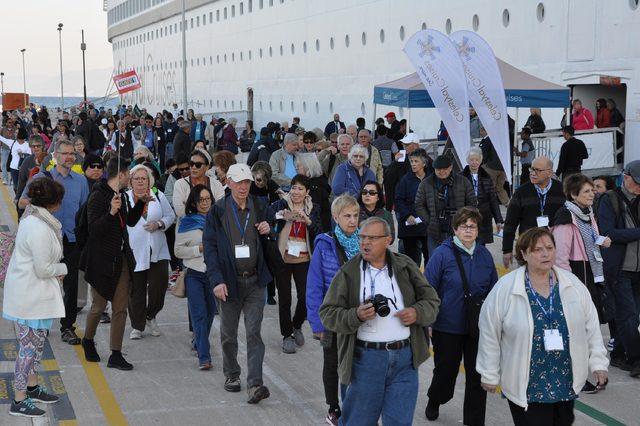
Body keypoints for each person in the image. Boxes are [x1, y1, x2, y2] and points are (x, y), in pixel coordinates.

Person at [477, 227, 609, 425]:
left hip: (565, 380)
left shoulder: (572, 285)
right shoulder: (506, 288)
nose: (546, 253)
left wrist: (598, 363)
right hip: (526, 383)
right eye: (537, 249)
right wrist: (489, 372)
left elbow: (591, 328)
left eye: (549, 247)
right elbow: (490, 332)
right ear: (524, 254)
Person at [319, 217, 440, 426]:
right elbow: (327, 313)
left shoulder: (405, 266)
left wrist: (416, 312)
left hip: (404, 361)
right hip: (365, 362)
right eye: (362, 237)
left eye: (372, 238)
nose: (365, 243)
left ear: (388, 240)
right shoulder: (349, 272)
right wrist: (355, 316)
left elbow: (432, 301)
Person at [203, 163, 272, 403]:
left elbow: (271, 239)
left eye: (247, 183)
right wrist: (217, 280)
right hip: (229, 283)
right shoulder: (218, 211)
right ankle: (232, 374)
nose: (243, 187)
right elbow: (210, 249)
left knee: (254, 333)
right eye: (239, 182)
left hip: (255, 281)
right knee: (228, 334)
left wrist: (268, 229)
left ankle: (255, 384)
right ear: (229, 183)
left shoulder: (260, 207)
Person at [424, 207, 497, 424]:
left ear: (478, 230)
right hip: (447, 326)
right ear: (455, 229)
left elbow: (494, 292)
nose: (468, 230)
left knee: (477, 377)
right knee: (446, 373)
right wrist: (428, 321)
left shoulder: (484, 255)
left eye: (472, 226)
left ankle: (474, 421)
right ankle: (435, 399)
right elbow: (428, 288)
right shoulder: (441, 254)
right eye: (463, 226)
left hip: (477, 326)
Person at [3, 178, 67, 418]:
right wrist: (63, 269)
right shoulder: (39, 227)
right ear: (54, 202)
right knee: (27, 351)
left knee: (36, 348)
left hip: (34, 297)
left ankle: (32, 387)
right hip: (28, 298)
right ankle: (19, 400)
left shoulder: (36, 218)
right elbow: (43, 268)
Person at [19, 139, 89, 346]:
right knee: (43, 281)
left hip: (71, 239)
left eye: (71, 154)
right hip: (46, 240)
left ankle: (67, 326)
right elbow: (22, 201)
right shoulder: (42, 178)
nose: (69, 157)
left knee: (71, 285)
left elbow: (84, 210)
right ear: (55, 156)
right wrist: (41, 201)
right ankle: (40, 322)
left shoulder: (81, 181)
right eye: (65, 153)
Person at [80, 157, 148, 371]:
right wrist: (110, 212)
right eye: (128, 173)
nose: (130, 177)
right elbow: (94, 230)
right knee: (99, 307)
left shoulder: (122, 196)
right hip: (101, 261)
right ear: (120, 174)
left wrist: (142, 202)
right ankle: (88, 340)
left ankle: (115, 354)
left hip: (121, 260)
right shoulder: (98, 196)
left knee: (120, 308)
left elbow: (129, 222)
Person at [553, 174, 612, 392]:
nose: (592, 194)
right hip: (575, 275)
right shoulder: (566, 217)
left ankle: (594, 370)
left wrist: (601, 241)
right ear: (573, 194)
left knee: (589, 327)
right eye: (587, 191)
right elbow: (559, 257)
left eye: (592, 190)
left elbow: (589, 240)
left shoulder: (587, 214)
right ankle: (575, 376)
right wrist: (570, 286)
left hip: (590, 273)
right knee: (575, 330)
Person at [306, 194, 360, 425]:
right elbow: (314, 285)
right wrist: (317, 324)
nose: (352, 220)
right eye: (347, 216)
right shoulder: (324, 244)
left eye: (356, 215)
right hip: (333, 317)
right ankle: (334, 407)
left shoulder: (366, 242)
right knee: (333, 364)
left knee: (357, 363)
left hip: (360, 316)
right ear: (336, 217)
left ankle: (355, 405)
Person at [268, 174, 322, 353]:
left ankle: (297, 324)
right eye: (293, 188)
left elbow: (320, 232)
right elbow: (268, 219)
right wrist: (282, 216)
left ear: (307, 192)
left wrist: (308, 221)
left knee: (306, 296)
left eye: (300, 188)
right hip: (283, 258)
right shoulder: (280, 204)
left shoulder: (314, 209)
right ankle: (287, 335)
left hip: (304, 259)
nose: (295, 192)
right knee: (284, 298)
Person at [597, 160, 640, 377]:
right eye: (638, 183)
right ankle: (636, 359)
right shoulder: (610, 200)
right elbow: (609, 233)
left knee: (632, 316)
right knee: (628, 315)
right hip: (619, 268)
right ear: (626, 177)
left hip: (638, 270)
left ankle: (619, 355)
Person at [126, 165, 175, 339]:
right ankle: (137, 326)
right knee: (136, 291)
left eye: (143, 178)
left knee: (158, 287)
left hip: (158, 249)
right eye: (136, 178)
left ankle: (150, 315)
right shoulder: (125, 198)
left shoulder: (159, 196)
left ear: (149, 180)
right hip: (134, 252)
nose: (140, 181)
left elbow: (170, 216)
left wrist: (159, 224)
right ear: (130, 181)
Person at [175, 184, 217, 370]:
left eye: (208, 199)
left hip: (213, 275)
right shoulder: (186, 222)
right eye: (201, 199)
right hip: (193, 274)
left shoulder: (218, 220)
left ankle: (199, 341)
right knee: (199, 314)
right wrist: (198, 249)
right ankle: (204, 356)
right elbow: (178, 250)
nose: (205, 203)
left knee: (209, 314)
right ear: (194, 201)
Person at [502, 156, 566, 269]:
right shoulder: (521, 192)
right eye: (532, 169)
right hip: (528, 247)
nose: (533, 173)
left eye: (538, 170)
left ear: (549, 173)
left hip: (553, 247)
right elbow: (510, 223)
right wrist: (507, 249)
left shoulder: (562, 190)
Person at [415, 155, 477, 256]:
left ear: (451, 168)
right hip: (435, 230)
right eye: (439, 169)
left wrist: (464, 220)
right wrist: (429, 220)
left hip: (459, 230)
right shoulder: (426, 183)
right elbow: (418, 205)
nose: (442, 171)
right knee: (437, 262)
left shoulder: (463, 181)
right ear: (434, 169)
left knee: (460, 262)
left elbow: (472, 203)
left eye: (445, 169)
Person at [395, 148, 430, 266]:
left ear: (424, 163)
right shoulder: (406, 179)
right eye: (411, 161)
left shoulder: (431, 179)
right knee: (412, 262)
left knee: (430, 259)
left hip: (428, 226)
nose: (413, 164)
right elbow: (399, 199)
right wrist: (407, 215)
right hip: (410, 227)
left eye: (416, 161)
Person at [461, 148, 503, 244]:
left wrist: (498, 220)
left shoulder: (487, 177)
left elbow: (493, 200)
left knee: (480, 245)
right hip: (466, 215)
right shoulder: (461, 177)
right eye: (472, 160)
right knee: (467, 243)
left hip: (483, 216)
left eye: (477, 160)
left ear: (480, 160)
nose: (474, 162)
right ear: (467, 161)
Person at [172, 149, 225, 217]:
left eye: (198, 165)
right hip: (188, 226)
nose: (193, 167)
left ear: (207, 167)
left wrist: (189, 206)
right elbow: (180, 211)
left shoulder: (216, 184)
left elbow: (220, 209)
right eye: (191, 164)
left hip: (212, 225)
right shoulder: (180, 184)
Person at [296, 153, 331, 232]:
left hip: (318, 229)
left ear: (307, 167)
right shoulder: (314, 183)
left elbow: (313, 212)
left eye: (299, 166)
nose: (296, 168)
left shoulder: (315, 187)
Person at [478, 127, 509, 206]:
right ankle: (507, 203)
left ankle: (488, 204)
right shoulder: (501, 140)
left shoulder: (488, 140)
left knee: (489, 187)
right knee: (500, 188)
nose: (480, 133)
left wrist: (481, 165)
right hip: (502, 168)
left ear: (484, 131)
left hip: (492, 168)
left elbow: (484, 153)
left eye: (481, 131)